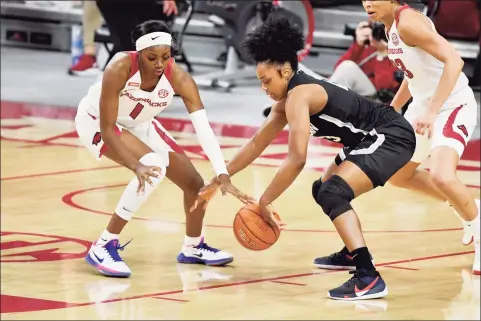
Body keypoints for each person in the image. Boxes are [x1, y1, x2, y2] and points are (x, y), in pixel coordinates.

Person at [192, 14, 417, 300]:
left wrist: (265, 201)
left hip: (389, 135)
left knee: (333, 194)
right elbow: (254, 145)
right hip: (366, 139)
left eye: (266, 81)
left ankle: (368, 276)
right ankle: (351, 252)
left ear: (285, 72)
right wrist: (218, 180)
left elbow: (297, 159)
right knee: (322, 189)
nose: (264, 88)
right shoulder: (286, 100)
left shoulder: (300, 95)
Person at [314, 0, 480, 276]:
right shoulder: (390, 26)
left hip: (451, 104)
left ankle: (476, 224)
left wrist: (433, 109)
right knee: (398, 175)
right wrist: (392, 109)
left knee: (441, 174)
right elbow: (413, 75)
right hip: (421, 106)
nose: (367, 3)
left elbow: (455, 61)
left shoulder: (409, 22)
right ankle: (468, 206)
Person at [75, 20, 252, 278]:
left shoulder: (178, 77)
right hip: (98, 122)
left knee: (195, 183)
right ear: (139, 54)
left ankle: (193, 246)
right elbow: (108, 126)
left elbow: (204, 129)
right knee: (153, 166)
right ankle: (104, 244)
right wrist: (136, 166)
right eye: (152, 57)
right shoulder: (120, 66)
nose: (160, 64)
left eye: (166, 57)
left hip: (140, 124)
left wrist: (222, 173)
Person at [330, 20, 400, 98]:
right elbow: (338, 71)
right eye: (376, 29)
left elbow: (383, 86)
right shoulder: (366, 45)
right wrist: (358, 44)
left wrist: (383, 54)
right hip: (354, 93)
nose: (378, 34)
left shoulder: (397, 50)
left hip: (375, 98)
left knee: (348, 67)